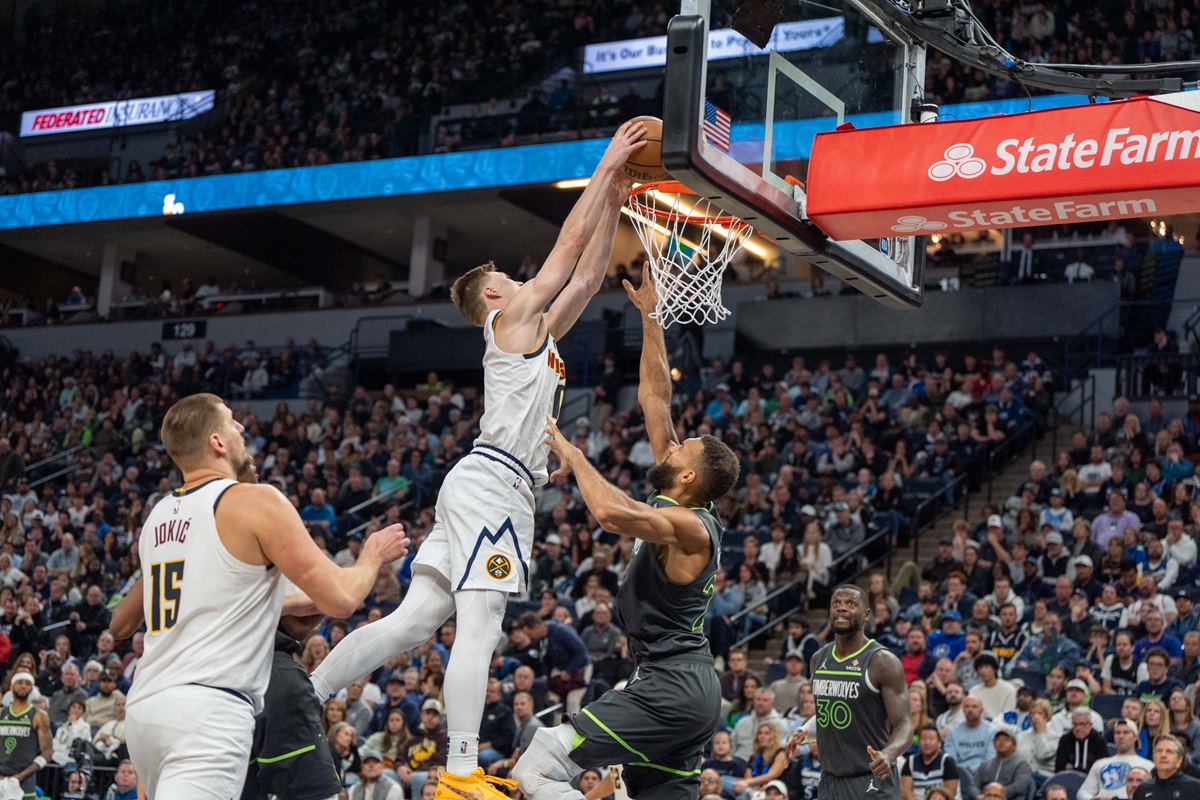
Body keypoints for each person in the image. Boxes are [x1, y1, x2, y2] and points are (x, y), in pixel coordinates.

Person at [311, 123, 647, 800]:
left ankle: (305, 690)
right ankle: (461, 772)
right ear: (493, 296)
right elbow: (567, 248)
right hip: (491, 488)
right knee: (482, 620)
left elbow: (587, 274)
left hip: (492, 479)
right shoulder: (510, 320)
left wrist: (616, 189)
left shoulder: (538, 334)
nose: (521, 281)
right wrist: (605, 161)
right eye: (509, 277)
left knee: (413, 621)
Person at [513, 258, 740, 800]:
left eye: (685, 445)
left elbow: (612, 514)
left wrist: (574, 453)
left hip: (672, 685)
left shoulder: (692, 528)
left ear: (689, 475)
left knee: (538, 763)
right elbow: (655, 397)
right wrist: (652, 317)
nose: (676, 439)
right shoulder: (675, 489)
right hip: (676, 684)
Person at [123, 394, 410, 799]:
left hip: (146, 705)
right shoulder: (255, 500)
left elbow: (120, 622)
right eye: (233, 422)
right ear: (218, 443)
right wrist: (371, 557)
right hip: (208, 707)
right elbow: (342, 599)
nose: (242, 428)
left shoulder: (157, 516)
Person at [790, 584, 913, 800]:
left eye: (850, 604)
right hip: (830, 780)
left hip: (871, 779)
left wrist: (888, 754)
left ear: (866, 615)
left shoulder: (882, 661)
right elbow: (830, 712)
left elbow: (904, 724)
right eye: (836, 603)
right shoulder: (818, 659)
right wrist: (803, 732)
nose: (841, 608)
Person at [0, 672, 52, 798]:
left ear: (31, 689)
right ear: (12, 686)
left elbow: (48, 753)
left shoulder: (39, 715)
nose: (23, 686)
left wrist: (22, 775)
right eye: (20, 683)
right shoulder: (2, 713)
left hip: (25, 779)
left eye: (27, 684)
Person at [1077, 718, 1152, 800]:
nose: (1121, 736)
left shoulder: (1148, 766)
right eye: (1117, 733)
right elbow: (1083, 793)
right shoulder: (1100, 764)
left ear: (1135, 737)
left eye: (1126, 732)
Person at [900, 724, 960, 800]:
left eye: (931, 739)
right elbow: (906, 792)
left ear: (939, 743)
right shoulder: (910, 762)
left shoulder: (947, 762)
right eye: (923, 739)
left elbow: (949, 794)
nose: (927, 742)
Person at [1131, 734, 1200, 798]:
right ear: (1153, 757)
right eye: (1159, 751)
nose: (1163, 755)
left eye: (1169, 751)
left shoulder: (1195, 788)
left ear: (1179, 760)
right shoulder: (1142, 790)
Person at [971, 726, 1031, 800]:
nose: (1002, 742)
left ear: (1014, 746)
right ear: (993, 744)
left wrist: (994, 794)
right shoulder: (985, 765)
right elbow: (973, 785)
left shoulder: (1021, 764)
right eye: (998, 739)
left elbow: (1019, 786)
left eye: (1006, 740)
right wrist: (979, 796)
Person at [1055, 707, 1107, 774]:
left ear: (1090, 725)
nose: (1078, 728)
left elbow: (1103, 768)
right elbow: (1058, 768)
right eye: (1075, 724)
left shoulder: (1099, 741)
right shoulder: (1065, 740)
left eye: (1082, 724)